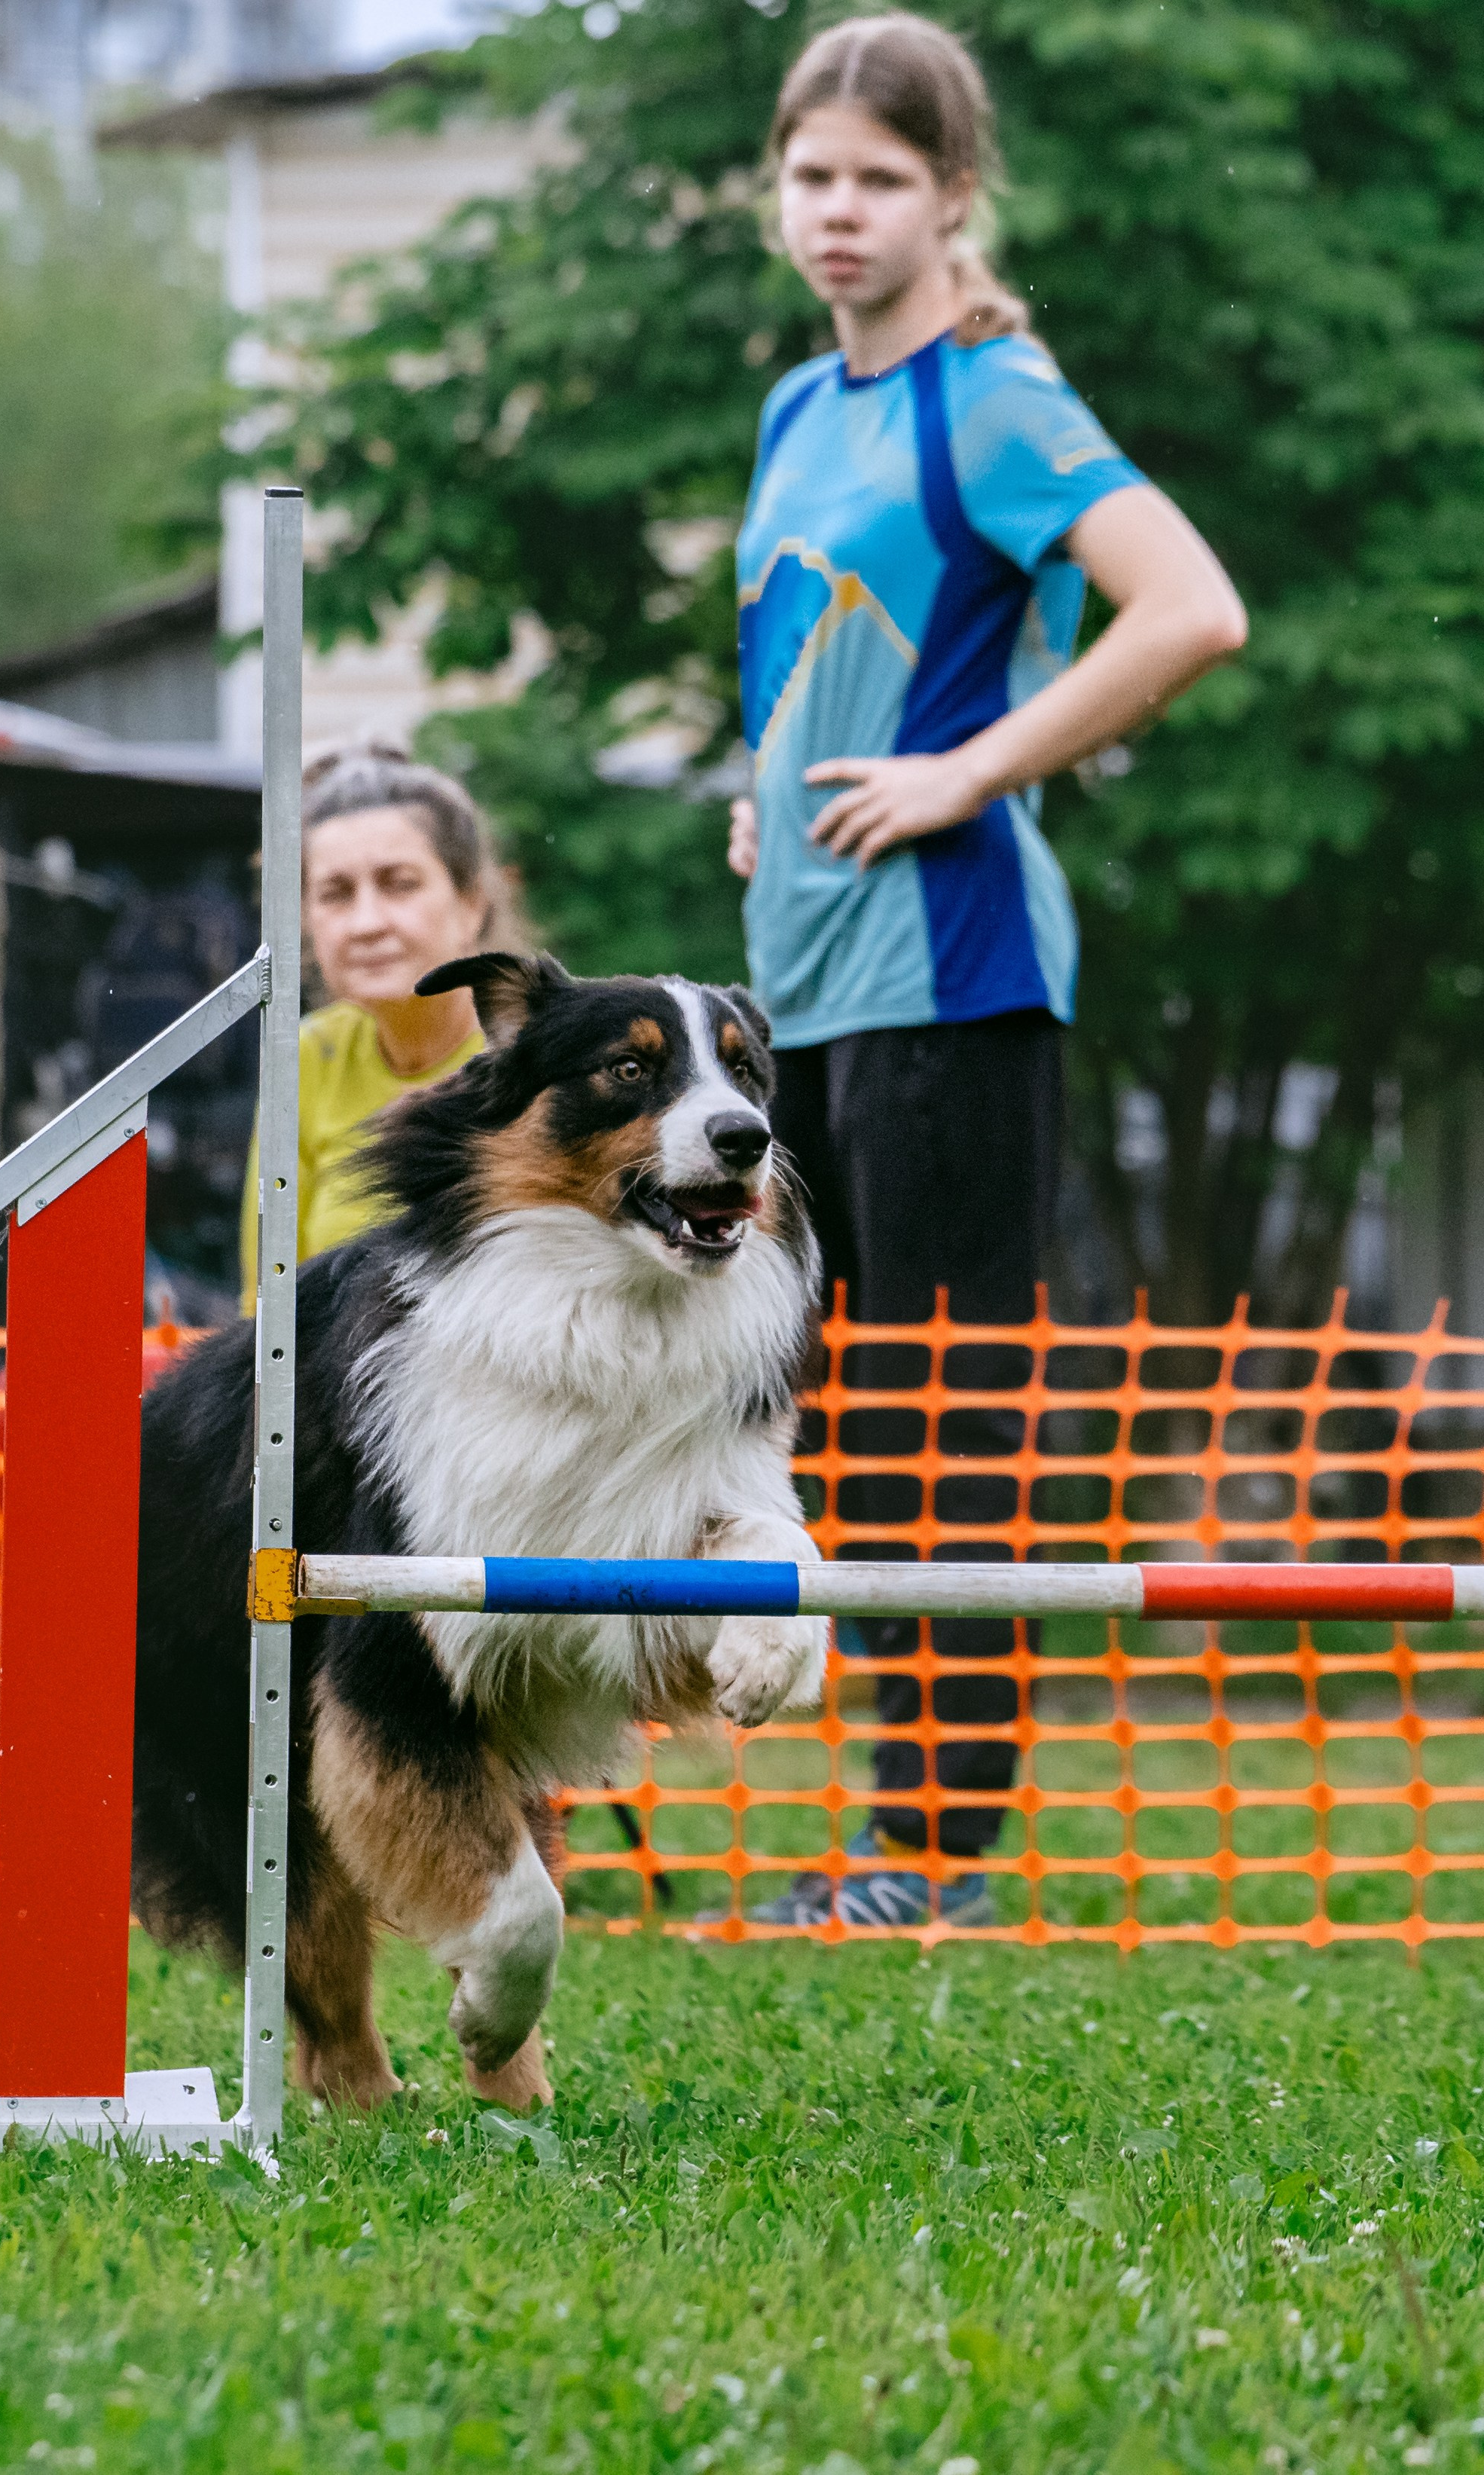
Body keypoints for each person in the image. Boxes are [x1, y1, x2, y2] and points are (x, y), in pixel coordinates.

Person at [731, 14, 1247, 1925]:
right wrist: (757, 787)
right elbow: (816, 638)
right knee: (816, 1412)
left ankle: (925, 1857)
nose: (836, 212)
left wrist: (962, 768)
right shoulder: (801, 411)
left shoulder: (994, 398)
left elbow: (1190, 606)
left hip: (954, 987)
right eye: (809, 176)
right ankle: (877, 1837)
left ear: (952, 195)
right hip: (803, 982)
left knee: (940, 1426)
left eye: (875, 179)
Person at [239, 739, 527, 1308]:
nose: (366, 922)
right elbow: (267, 1310)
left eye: (399, 884)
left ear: (472, 904)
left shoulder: (543, 1058)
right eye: (336, 893)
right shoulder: (307, 1056)